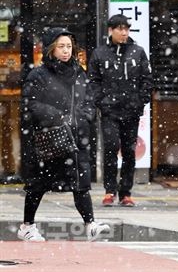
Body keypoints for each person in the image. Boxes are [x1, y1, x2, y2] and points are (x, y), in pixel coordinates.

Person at [19, 27, 110, 241]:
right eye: (61, 46)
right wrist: (55, 115)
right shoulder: (38, 75)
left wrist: (86, 114)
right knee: (38, 185)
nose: (66, 51)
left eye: (69, 46)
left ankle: (90, 224)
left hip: (77, 137)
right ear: (51, 48)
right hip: (49, 138)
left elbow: (88, 97)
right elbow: (30, 103)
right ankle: (27, 225)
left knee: (81, 182)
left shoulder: (79, 72)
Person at [87, 14, 152, 207]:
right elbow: (93, 81)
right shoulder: (99, 53)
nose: (124, 33)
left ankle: (126, 192)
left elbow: (146, 80)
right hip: (109, 111)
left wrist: (140, 101)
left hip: (131, 111)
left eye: (126, 29)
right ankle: (109, 190)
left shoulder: (138, 52)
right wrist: (101, 102)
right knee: (111, 147)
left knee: (129, 152)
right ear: (111, 30)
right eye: (120, 29)